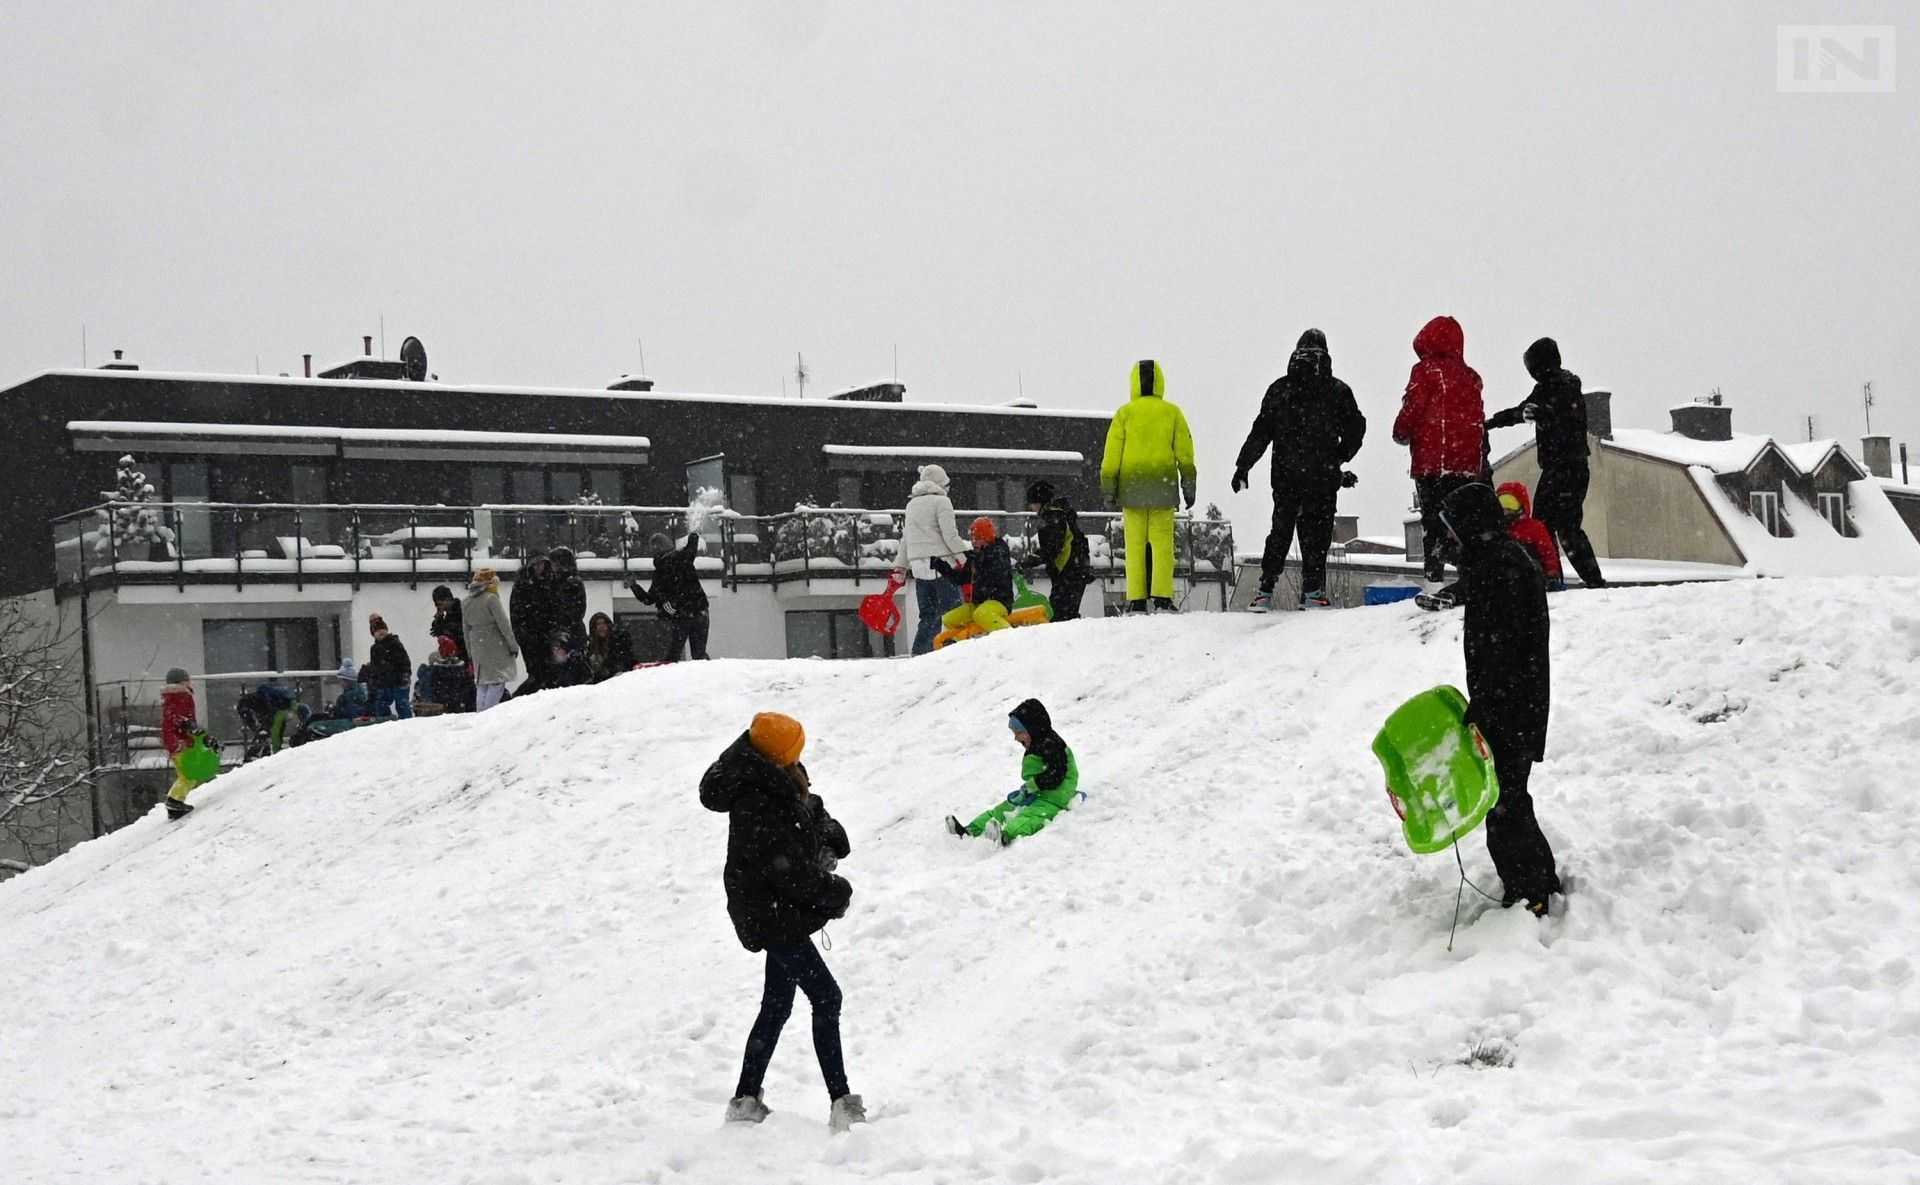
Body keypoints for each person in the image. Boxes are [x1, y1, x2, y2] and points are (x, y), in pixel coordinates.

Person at [698, 712, 865, 1133]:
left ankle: (746, 1099)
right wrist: (834, 892)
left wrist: (825, 830)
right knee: (827, 997)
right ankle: (842, 1105)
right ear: (778, 754)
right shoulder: (756, 798)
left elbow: (805, 809)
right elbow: (787, 871)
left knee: (777, 1004)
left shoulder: (774, 773)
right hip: (771, 914)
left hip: (778, 909)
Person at [1441, 483, 1562, 917]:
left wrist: (1487, 707)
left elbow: (1506, 651)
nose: (1450, 540)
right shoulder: (1498, 561)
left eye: (1452, 530)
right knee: (1510, 799)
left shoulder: (1502, 568)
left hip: (1511, 708)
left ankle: (1532, 895)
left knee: (1504, 806)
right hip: (1515, 705)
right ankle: (1539, 883)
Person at [1231, 329, 1367, 611]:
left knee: (1280, 530)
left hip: (1285, 474)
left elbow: (1261, 432)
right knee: (1316, 534)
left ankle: (1265, 590)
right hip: (1322, 475)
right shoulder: (1337, 390)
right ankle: (1313, 591)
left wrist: (1243, 466)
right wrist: (1339, 457)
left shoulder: (1280, 389)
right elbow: (1357, 428)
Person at [1484, 337, 1607, 588]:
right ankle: (1557, 579)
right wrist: (1494, 422)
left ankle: (1578, 580)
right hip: (1562, 468)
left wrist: (1543, 416)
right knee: (1552, 527)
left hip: (1567, 467)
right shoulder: (1547, 388)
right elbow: (1524, 410)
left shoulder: (1566, 387)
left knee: (1559, 527)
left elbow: (1565, 419)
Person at [1392, 316, 1486, 585]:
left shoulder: (1425, 372)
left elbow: (1413, 408)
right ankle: (1471, 578)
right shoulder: (1470, 378)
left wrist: (1401, 432)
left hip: (1433, 462)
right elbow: (1477, 421)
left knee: (1432, 521)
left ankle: (1433, 579)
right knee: (1463, 523)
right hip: (1465, 464)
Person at [1100, 359, 1198, 613]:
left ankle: (1137, 599)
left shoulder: (1124, 414)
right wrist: (1189, 484)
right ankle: (1163, 597)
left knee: (1134, 546)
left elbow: (1111, 456)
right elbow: (1185, 454)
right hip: (1162, 490)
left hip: (1131, 491)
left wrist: (1108, 488)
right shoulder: (1172, 412)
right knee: (1162, 545)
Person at [944, 698, 1080, 845]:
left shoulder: (1052, 745)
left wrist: (1032, 785)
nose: (1016, 738)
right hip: (1038, 793)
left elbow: (1057, 774)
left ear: (1033, 729)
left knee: (1031, 816)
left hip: (1056, 798)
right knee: (1003, 808)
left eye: (1019, 732)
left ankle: (1006, 835)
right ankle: (969, 831)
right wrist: (1027, 790)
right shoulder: (1037, 743)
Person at [894, 464, 971, 654]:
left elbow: (907, 538)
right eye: (946, 484)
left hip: (919, 566)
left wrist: (900, 567)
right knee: (954, 610)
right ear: (940, 484)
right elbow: (950, 536)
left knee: (928, 614)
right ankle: (955, 649)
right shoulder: (942, 502)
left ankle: (921, 653)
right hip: (940, 564)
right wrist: (967, 559)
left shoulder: (911, 505)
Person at [628, 531, 710, 662]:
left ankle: (672, 677)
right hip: (699, 610)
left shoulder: (660, 572)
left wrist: (633, 585)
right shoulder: (682, 558)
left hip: (681, 615)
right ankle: (711, 675)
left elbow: (648, 599)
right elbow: (692, 549)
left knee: (674, 654)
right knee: (699, 655)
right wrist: (693, 534)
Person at [930, 517, 1015, 640]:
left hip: (999, 601)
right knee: (949, 619)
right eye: (972, 539)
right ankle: (964, 646)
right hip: (978, 603)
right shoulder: (977, 556)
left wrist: (977, 557)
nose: (973, 542)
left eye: (976, 539)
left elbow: (994, 569)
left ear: (985, 537)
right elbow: (960, 578)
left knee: (982, 614)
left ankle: (1011, 638)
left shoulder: (999, 551)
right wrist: (941, 566)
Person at [1018, 480, 1091, 622]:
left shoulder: (1053, 517)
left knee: (1060, 615)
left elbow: (1052, 548)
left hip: (1068, 571)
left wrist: (1029, 561)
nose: (1030, 506)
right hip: (1073, 570)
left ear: (1040, 501)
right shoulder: (1059, 513)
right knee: (1066, 613)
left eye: (1032, 502)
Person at [462, 567, 519, 712]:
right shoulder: (491, 599)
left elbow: (466, 630)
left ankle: (480, 712)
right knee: (497, 682)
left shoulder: (466, 602)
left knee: (482, 683)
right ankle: (488, 714)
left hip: (477, 646)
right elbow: (503, 624)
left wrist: (470, 652)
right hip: (495, 644)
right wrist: (513, 645)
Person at [160, 668, 212, 820]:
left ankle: (175, 804)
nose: (191, 683)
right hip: (180, 741)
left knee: (185, 773)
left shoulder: (170, 697)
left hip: (174, 741)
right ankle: (174, 801)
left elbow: (172, 718)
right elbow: (178, 718)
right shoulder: (181, 696)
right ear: (182, 682)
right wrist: (188, 726)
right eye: (188, 680)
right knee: (189, 774)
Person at [1499, 482, 1565, 591]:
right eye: (1502, 506)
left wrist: (1552, 575)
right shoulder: (1498, 529)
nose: (1506, 511)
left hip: (1531, 575)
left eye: (1510, 505)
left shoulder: (1534, 528)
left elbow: (1547, 552)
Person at [510, 553, 556, 696]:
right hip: (531, 636)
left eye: (541, 564)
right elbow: (517, 613)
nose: (539, 567)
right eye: (536, 564)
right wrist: (523, 634)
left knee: (544, 673)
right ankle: (519, 698)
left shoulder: (546, 581)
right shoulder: (523, 584)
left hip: (543, 634)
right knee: (537, 673)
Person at [363, 613, 413, 721]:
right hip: (385, 682)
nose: (380, 632)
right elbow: (375, 667)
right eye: (377, 630)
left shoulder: (394, 643)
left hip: (399, 679)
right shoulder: (375, 649)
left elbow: (404, 660)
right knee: (381, 704)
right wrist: (375, 679)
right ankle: (386, 722)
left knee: (402, 702)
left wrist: (406, 673)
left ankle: (407, 722)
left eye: (382, 629)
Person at [546, 547, 589, 653]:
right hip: (571, 634)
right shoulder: (562, 582)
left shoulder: (566, 583)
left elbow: (576, 612)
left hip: (567, 635)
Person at [422, 635, 475, 712]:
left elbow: (434, 689)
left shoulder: (437, 671)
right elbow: (470, 690)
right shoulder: (461, 670)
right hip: (457, 706)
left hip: (446, 707)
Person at [585, 612, 636, 683]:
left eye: (603, 623)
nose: (601, 627)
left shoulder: (619, 641)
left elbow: (626, 660)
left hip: (619, 680)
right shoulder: (591, 646)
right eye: (598, 624)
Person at [429, 585, 469, 664]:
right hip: (453, 654)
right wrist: (439, 618)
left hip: (464, 654)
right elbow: (439, 633)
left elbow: (459, 632)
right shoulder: (448, 615)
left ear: (446, 600)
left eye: (439, 604)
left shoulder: (461, 610)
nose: (438, 607)